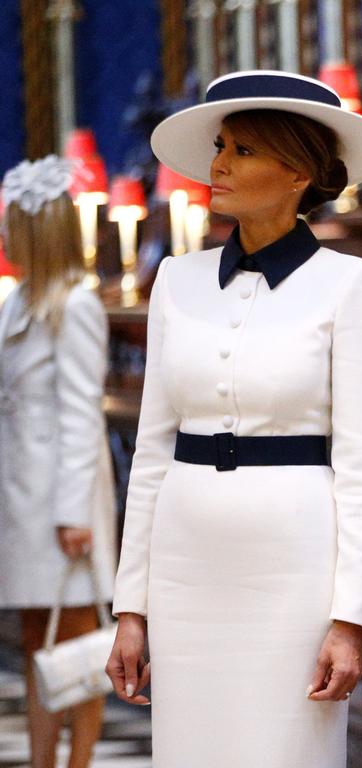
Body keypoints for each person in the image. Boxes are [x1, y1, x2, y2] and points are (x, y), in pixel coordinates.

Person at [104, 70, 362, 767]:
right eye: (220, 147)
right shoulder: (176, 278)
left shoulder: (350, 284)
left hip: (293, 567)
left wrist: (350, 620)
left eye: (242, 151)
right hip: (183, 562)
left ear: (296, 172)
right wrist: (130, 609)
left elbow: (360, 466)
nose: (219, 166)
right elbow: (150, 455)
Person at [0, 155, 117, 768]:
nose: (2, 234)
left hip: (58, 502)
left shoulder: (76, 306)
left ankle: (79, 762)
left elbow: (80, 415)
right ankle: (43, 761)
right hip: (20, 497)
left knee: (78, 642)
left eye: (10, 223)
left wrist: (76, 514)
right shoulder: (17, 302)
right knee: (33, 640)